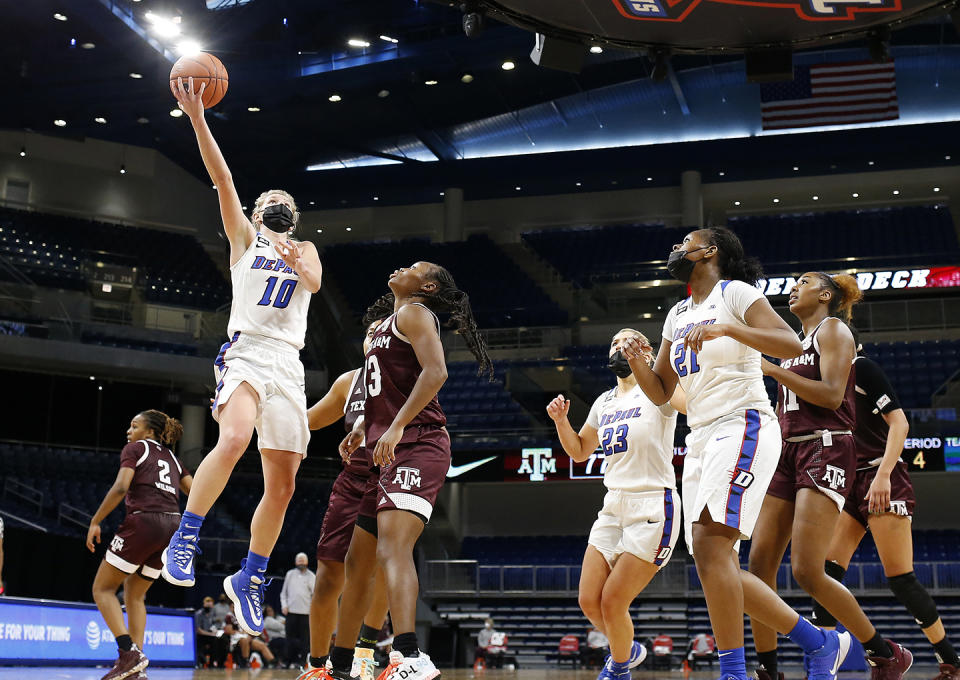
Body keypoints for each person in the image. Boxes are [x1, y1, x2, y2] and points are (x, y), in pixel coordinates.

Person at [622, 227, 849, 680]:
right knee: (711, 562)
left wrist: (729, 327)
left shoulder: (735, 292)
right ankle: (816, 642)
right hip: (701, 435)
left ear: (709, 251)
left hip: (742, 423)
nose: (675, 250)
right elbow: (663, 393)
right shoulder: (676, 314)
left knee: (711, 547)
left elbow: (791, 343)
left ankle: (738, 671)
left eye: (683, 242)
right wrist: (637, 364)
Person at [161, 76, 322, 637]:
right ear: (255, 213)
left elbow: (317, 284)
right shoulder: (243, 241)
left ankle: (249, 577)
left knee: (283, 486)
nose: (276, 203)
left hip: (290, 364)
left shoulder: (304, 250)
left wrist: (297, 256)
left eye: (285, 203)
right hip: (247, 352)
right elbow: (222, 177)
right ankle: (187, 533)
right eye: (268, 201)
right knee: (232, 440)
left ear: (293, 217)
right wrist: (199, 117)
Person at [327, 262, 493, 680]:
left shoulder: (415, 313)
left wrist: (397, 425)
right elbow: (384, 390)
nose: (401, 267)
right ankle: (341, 665)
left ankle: (410, 656)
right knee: (357, 561)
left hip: (419, 442)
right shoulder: (383, 324)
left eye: (413, 267)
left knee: (392, 549)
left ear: (428, 286)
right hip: (386, 447)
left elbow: (437, 373)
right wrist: (365, 425)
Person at [749, 273, 911, 680]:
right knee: (759, 565)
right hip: (787, 449)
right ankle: (768, 670)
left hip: (827, 445)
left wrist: (772, 370)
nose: (793, 287)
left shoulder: (833, 329)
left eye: (803, 282)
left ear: (824, 295)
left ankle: (883, 651)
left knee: (806, 570)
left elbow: (831, 395)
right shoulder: (791, 343)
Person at [813, 343, 959, 680]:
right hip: (849, 481)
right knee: (824, 574)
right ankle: (822, 665)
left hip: (883, 474)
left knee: (901, 580)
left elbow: (901, 424)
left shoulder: (862, 368)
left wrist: (882, 477)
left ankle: (951, 660)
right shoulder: (824, 380)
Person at [547, 328, 686, 680]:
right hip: (613, 506)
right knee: (589, 601)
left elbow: (689, 403)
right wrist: (561, 423)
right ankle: (630, 649)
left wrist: (654, 365)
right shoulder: (603, 401)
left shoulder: (661, 389)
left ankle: (619, 668)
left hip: (653, 504)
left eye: (629, 340)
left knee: (612, 602)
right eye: (614, 342)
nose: (619, 346)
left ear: (647, 350)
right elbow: (579, 451)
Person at [297, 319, 391, 680]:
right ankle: (318, 665)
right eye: (369, 332)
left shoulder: (407, 377)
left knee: (377, 569)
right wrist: (252, 410)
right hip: (352, 481)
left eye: (381, 331)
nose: (373, 337)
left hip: (388, 478)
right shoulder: (348, 381)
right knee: (328, 576)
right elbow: (307, 421)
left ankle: (365, 650)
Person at [86, 410, 193, 680]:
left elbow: (122, 487)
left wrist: (96, 520)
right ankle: (136, 668)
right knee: (135, 594)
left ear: (149, 432)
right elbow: (196, 490)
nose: (128, 431)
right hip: (173, 525)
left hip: (144, 520)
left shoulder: (135, 448)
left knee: (102, 589)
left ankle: (128, 653)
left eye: (134, 426)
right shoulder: (173, 459)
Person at [281, 553, 315, 667]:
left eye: (303, 560)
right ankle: (287, 661)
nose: (301, 562)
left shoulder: (312, 576)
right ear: (296, 562)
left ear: (307, 562)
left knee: (305, 641)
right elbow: (283, 593)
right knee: (289, 639)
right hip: (291, 612)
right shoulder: (290, 574)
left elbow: (315, 596)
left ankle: (302, 662)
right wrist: (284, 606)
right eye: (299, 560)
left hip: (306, 613)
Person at [195, 595, 230, 668]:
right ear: (204, 604)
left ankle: (217, 663)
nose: (209, 607)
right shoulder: (199, 614)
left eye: (210, 606)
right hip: (200, 636)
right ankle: (204, 662)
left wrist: (215, 631)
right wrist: (211, 634)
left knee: (222, 640)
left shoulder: (211, 614)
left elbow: (212, 625)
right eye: (207, 604)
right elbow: (198, 630)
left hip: (209, 635)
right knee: (213, 641)